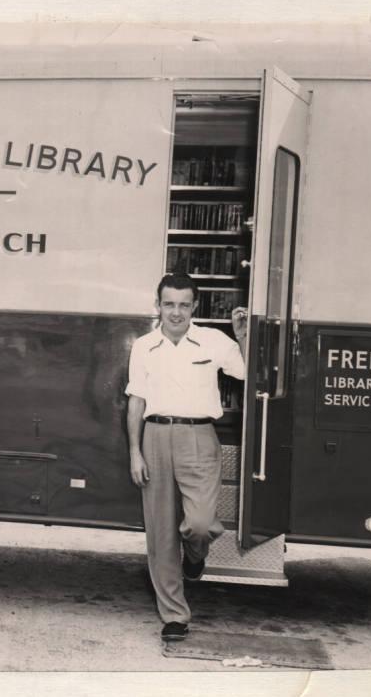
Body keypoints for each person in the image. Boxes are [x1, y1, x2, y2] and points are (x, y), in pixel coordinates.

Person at [125, 272, 248, 642]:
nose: (175, 312)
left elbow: (248, 373)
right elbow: (136, 401)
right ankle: (174, 615)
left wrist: (242, 336)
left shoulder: (214, 341)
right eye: (168, 304)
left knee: (200, 522)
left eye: (183, 304)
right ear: (157, 306)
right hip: (156, 436)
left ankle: (195, 557)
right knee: (161, 532)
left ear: (195, 306)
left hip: (199, 437)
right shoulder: (144, 346)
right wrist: (135, 451)